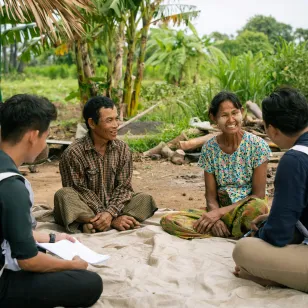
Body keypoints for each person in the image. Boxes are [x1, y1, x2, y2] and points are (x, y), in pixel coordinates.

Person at [0, 94, 102, 307]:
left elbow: (9, 226)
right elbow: (27, 261)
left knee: (42, 249)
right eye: (45, 137)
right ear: (33, 136)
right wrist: (71, 266)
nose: (44, 144)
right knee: (89, 283)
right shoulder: (12, 186)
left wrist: (54, 238)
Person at [161, 91, 271, 239]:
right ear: (214, 118)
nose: (231, 120)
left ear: (242, 113)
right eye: (224, 115)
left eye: (235, 113)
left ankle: (230, 231)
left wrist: (218, 213)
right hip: (218, 211)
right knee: (168, 220)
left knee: (258, 208)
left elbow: (258, 195)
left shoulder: (257, 145)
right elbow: (211, 196)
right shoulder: (209, 148)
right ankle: (233, 232)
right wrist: (215, 218)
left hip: (246, 210)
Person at [233, 87, 308, 293]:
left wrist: (261, 234)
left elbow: (279, 235)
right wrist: (272, 218)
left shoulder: (294, 160)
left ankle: (275, 278)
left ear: (273, 130)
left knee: (244, 250)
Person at [54, 96, 157, 233]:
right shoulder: (73, 153)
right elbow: (79, 191)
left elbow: (124, 188)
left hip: (113, 209)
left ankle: (92, 225)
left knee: (145, 199)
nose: (116, 125)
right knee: (64, 196)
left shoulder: (122, 149)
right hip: (86, 209)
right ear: (92, 123)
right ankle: (108, 222)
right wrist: (111, 217)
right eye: (109, 120)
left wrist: (110, 213)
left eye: (116, 119)